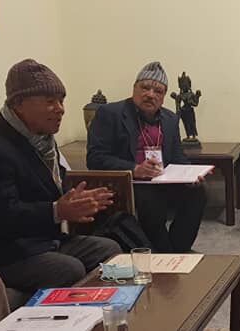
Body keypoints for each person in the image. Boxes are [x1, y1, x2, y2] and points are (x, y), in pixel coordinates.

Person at [0, 59, 121, 292]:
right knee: (68, 269)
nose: (60, 109)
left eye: (61, 101)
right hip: (1, 253)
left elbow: (52, 194)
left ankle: (100, 308)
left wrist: (79, 202)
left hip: (42, 241)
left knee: (109, 250)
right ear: (19, 103)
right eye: (50, 102)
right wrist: (57, 211)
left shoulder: (43, 142)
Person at [87, 61, 207, 253]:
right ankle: (164, 252)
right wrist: (135, 169)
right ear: (134, 88)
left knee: (198, 192)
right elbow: (95, 158)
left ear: (164, 96)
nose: (151, 94)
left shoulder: (170, 119)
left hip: (162, 179)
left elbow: (178, 157)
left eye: (158, 91)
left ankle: (178, 248)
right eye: (145, 88)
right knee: (151, 199)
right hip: (129, 183)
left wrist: (190, 175)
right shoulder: (110, 114)